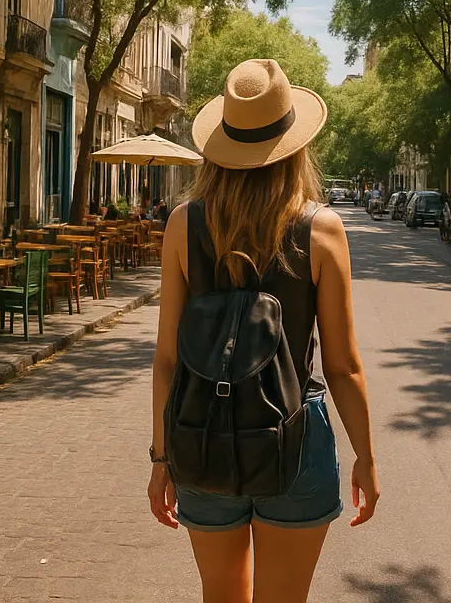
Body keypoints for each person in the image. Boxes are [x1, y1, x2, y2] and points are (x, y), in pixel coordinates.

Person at [148, 59, 378, 600]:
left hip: (200, 433)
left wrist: (161, 460)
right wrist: (365, 458)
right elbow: (343, 367)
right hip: (294, 438)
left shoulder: (184, 224)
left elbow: (166, 360)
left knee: (221, 594)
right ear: (295, 147)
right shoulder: (321, 229)